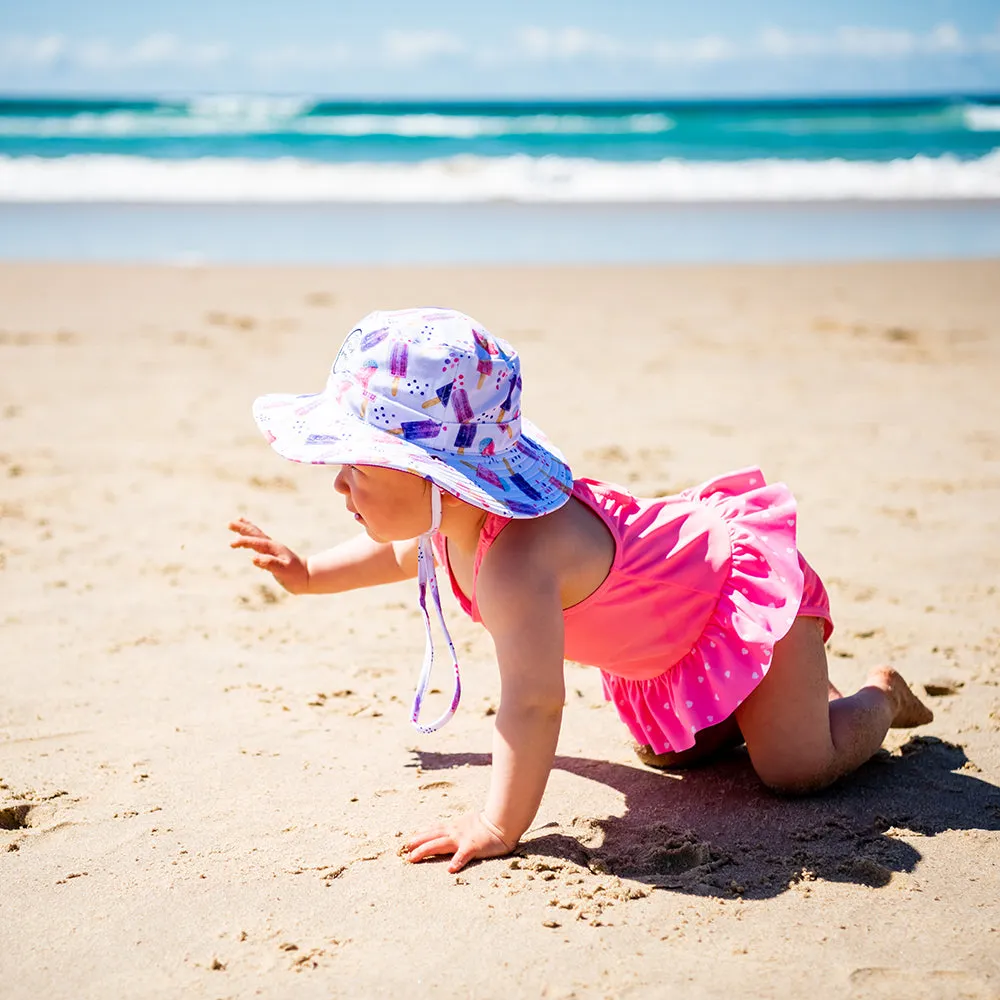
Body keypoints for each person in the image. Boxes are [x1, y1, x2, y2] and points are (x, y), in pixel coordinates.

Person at [229, 307, 933, 874]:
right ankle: (792, 700)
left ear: (435, 477)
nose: (339, 484)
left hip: (737, 601)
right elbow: (398, 550)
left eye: (358, 467)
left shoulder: (517, 562)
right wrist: (307, 574)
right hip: (673, 646)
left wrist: (498, 823)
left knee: (794, 769)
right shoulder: (454, 519)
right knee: (673, 756)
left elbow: (534, 704)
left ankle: (876, 695)